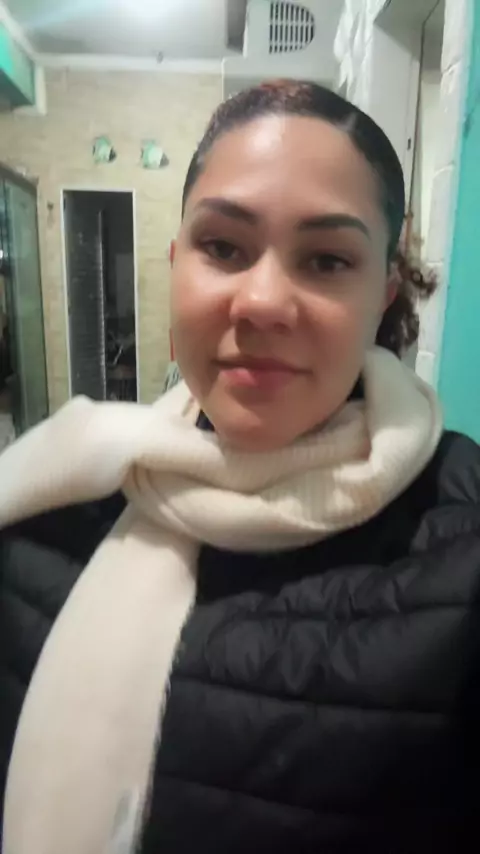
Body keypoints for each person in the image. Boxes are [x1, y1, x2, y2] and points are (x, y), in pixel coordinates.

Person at [0, 80, 478, 854]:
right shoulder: (49, 496)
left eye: (326, 259)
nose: (261, 301)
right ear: (176, 262)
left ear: (383, 293)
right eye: (223, 247)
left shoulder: (460, 543)